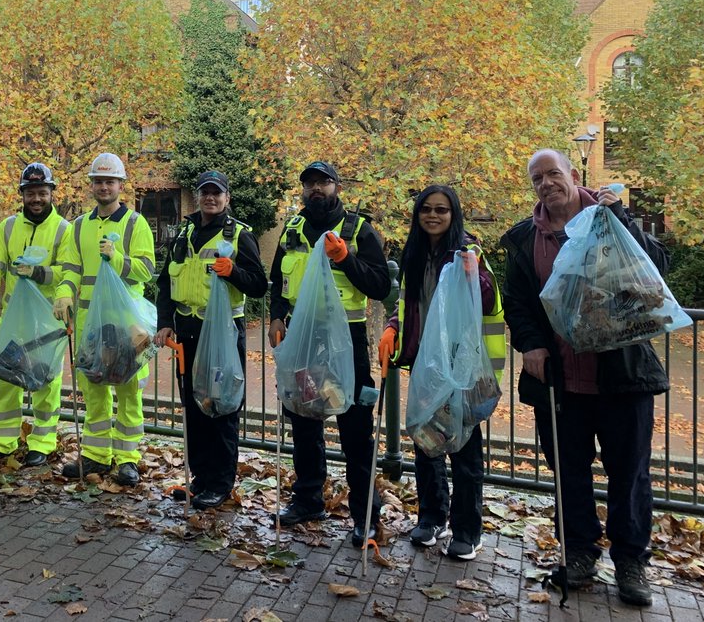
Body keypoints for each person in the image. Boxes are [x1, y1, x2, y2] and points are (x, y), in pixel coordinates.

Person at [501, 149, 667, 607]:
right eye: (538, 178)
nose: (547, 184)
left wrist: (626, 219)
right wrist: (531, 344)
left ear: (573, 176)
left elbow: (658, 272)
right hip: (560, 381)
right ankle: (579, 554)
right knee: (567, 474)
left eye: (554, 174)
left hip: (621, 377)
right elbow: (518, 302)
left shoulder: (609, 216)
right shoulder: (523, 239)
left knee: (628, 474)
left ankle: (632, 562)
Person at [379, 184, 505, 560]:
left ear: (454, 215)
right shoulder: (416, 253)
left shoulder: (468, 251)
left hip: (461, 367)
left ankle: (468, 529)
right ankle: (432, 517)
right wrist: (393, 326)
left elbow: (488, 298)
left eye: (441, 210)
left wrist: (474, 274)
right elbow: (410, 304)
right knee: (426, 442)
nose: (433, 216)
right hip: (426, 364)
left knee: (464, 450)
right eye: (426, 210)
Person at [269, 161, 390, 545]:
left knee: (355, 429)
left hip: (345, 342)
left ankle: (366, 514)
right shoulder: (292, 229)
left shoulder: (357, 230)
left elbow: (380, 285)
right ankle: (307, 499)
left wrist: (345, 259)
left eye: (323, 182)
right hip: (304, 340)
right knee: (304, 421)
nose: (315, 189)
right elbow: (278, 281)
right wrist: (275, 316)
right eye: (309, 184)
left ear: (337, 186)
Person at [155, 170, 267, 509]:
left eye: (217, 193)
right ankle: (200, 478)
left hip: (220, 335)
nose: (210, 198)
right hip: (187, 333)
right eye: (205, 192)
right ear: (198, 196)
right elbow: (164, 284)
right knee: (193, 407)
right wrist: (164, 322)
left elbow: (259, 285)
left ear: (227, 198)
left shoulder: (240, 236)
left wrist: (233, 271)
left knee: (220, 408)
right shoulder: (183, 235)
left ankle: (220, 483)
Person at [54, 152, 156, 486]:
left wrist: (118, 257)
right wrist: (64, 292)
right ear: (91, 186)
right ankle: (96, 455)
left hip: (126, 322)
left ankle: (128, 459)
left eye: (109, 181)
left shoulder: (135, 223)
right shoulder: (79, 225)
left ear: (120, 186)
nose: (103, 186)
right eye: (98, 181)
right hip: (89, 321)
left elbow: (146, 269)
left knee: (129, 389)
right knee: (94, 388)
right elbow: (71, 267)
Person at [0, 162, 70, 466]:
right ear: (22, 194)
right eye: (30, 193)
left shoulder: (63, 230)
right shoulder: (6, 227)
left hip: (46, 322)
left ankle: (41, 443)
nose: (36, 199)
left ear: (51, 193)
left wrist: (40, 273)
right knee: (4, 380)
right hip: (13, 321)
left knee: (45, 385)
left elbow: (67, 272)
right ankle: (3, 441)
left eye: (42, 192)